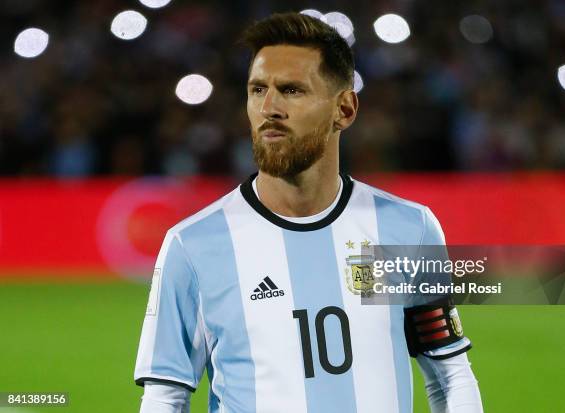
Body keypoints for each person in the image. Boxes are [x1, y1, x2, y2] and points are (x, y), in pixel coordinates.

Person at [134, 12, 483, 413]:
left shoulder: (407, 229)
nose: (269, 107)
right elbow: (165, 397)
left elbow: (450, 375)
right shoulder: (192, 246)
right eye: (257, 89)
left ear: (345, 109)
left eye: (292, 90)